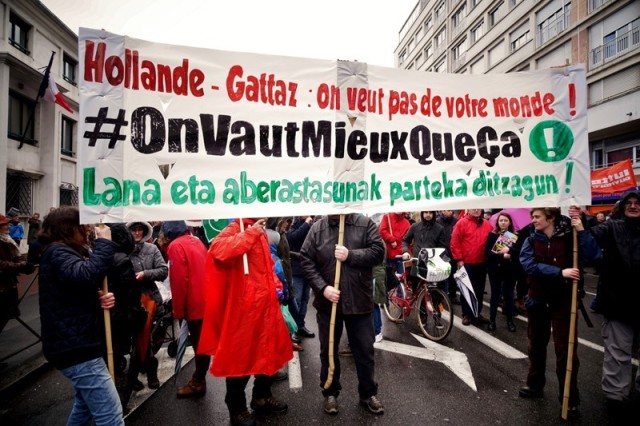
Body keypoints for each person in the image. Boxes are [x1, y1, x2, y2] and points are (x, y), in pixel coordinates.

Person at [199, 218, 292, 426]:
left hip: (265, 310)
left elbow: (267, 266)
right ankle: (237, 408)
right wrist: (249, 234)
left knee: (268, 355)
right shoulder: (236, 228)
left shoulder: (258, 232)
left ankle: (261, 396)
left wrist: (276, 285)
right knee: (239, 362)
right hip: (243, 314)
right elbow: (218, 250)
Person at [37, 206, 124, 425]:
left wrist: (96, 299)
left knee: (84, 410)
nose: (87, 230)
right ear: (70, 228)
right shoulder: (57, 252)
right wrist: (104, 243)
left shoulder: (60, 251)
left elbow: (70, 290)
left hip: (76, 343)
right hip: (78, 348)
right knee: (111, 416)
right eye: (83, 225)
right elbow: (85, 275)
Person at [518, 207, 601, 420]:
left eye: (537, 216)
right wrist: (559, 272)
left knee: (566, 351)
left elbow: (593, 256)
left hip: (563, 301)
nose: (533, 220)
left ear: (551, 218)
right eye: (533, 217)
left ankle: (570, 399)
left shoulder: (569, 237)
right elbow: (529, 265)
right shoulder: (530, 238)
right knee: (535, 345)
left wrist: (582, 230)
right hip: (537, 299)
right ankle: (534, 384)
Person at [300, 213, 385, 415]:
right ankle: (330, 392)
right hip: (328, 303)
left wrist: (351, 255)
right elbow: (306, 259)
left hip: (359, 300)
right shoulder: (317, 229)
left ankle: (367, 393)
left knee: (364, 351)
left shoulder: (365, 223)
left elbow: (378, 252)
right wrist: (323, 288)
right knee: (327, 351)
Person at [574, 191, 640, 422]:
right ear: (622, 207)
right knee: (618, 353)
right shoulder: (612, 228)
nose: (633, 206)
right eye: (628, 203)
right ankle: (615, 396)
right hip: (618, 302)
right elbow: (590, 247)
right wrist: (580, 225)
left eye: (637, 203)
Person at [161, 220, 211, 398]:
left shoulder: (175, 246)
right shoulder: (195, 240)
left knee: (200, 346)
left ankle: (198, 382)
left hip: (193, 304)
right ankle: (199, 380)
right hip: (206, 300)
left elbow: (179, 281)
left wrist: (178, 311)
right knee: (202, 344)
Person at [105, 224, 145, 409]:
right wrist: (137, 314)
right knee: (118, 354)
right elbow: (129, 293)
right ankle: (119, 400)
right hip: (120, 316)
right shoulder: (121, 259)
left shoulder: (103, 256)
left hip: (110, 314)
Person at [126, 221, 168, 390]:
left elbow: (163, 270)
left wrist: (146, 274)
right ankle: (137, 376)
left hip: (150, 300)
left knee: (146, 340)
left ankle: (145, 374)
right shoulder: (123, 251)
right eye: (133, 230)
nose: (137, 233)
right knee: (137, 341)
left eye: (139, 230)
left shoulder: (152, 249)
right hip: (130, 302)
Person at [450, 209, 493, 326]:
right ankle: (466, 314)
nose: (476, 209)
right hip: (467, 263)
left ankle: (476, 313)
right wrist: (459, 259)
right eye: (473, 207)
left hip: (482, 263)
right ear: (468, 209)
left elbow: (493, 240)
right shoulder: (461, 223)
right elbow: (455, 242)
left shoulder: (487, 224)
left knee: (479, 291)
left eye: (478, 207)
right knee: (467, 290)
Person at [0, 214, 34, 334]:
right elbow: (2, 264)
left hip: (8, 284)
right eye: (4, 224)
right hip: (3, 286)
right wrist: (22, 266)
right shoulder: (4, 241)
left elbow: (16, 258)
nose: (7, 226)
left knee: (7, 314)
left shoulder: (7, 240)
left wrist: (24, 265)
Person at [484, 212, 518, 332]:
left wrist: (510, 249)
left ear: (509, 222)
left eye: (505, 220)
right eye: (501, 220)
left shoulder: (513, 235)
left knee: (509, 295)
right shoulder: (492, 235)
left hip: (509, 270)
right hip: (495, 269)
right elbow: (488, 252)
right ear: (497, 222)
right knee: (495, 295)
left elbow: (519, 251)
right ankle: (492, 321)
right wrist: (502, 256)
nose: (503, 222)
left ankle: (510, 321)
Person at [286, 216, 316, 339]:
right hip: (296, 269)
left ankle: (300, 325)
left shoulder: (313, 224)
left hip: (308, 268)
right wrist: (306, 224)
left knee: (305, 299)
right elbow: (292, 238)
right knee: (296, 300)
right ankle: (293, 328)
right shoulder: (294, 223)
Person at [401, 211, 447, 291]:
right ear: (422, 213)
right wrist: (405, 251)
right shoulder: (415, 226)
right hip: (417, 265)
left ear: (434, 214)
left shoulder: (439, 228)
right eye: (426, 212)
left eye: (430, 213)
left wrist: (442, 259)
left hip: (432, 265)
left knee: (433, 294)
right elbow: (405, 240)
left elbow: (442, 248)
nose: (428, 215)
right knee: (417, 292)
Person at [436, 210, 460, 303]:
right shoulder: (437, 221)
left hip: (452, 252)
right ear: (442, 211)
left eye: (451, 210)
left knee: (453, 274)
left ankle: (453, 295)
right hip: (441, 252)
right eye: (447, 210)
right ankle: (440, 295)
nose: (449, 212)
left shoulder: (456, 222)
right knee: (441, 275)